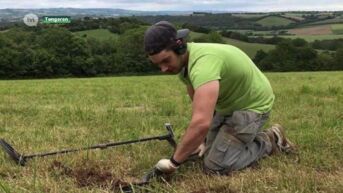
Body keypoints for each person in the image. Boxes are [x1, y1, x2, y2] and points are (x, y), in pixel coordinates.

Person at [143, 21, 295, 175]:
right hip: (226, 106)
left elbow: (201, 122)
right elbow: (198, 107)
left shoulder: (203, 66)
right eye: (158, 64)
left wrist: (173, 163)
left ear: (180, 48)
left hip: (252, 106)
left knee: (216, 167)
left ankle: (271, 139)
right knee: (202, 153)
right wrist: (201, 141)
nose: (163, 69)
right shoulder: (184, 66)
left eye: (166, 60)